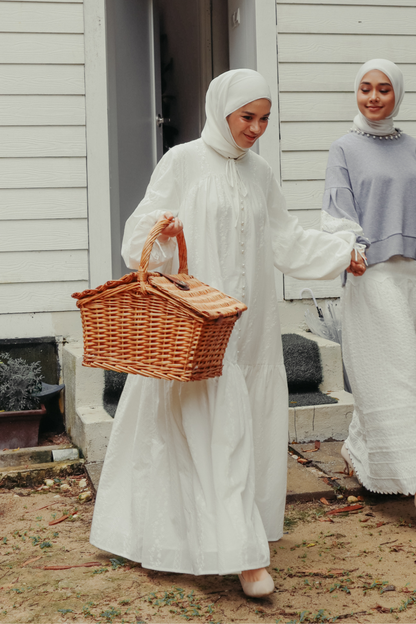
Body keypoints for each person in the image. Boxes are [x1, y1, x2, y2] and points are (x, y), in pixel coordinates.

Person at [90, 69, 364, 597]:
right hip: (195, 329)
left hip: (251, 328)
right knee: (199, 425)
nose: (256, 128)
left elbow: (285, 238)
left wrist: (340, 254)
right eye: (247, 117)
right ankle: (237, 555)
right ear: (222, 111)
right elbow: (138, 239)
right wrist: (162, 231)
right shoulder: (182, 162)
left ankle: (238, 538)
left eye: (264, 119)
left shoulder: (260, 173)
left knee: (238, 423)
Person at [321, 59, 416, 499]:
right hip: (371, 272)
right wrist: (352, 249)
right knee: (396, 373)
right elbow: (338, 211)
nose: (374, 97)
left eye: (383, 89)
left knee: (401, 370)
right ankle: (407, 478)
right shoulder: (344, 148)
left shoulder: (412, 147)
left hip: (412, 273)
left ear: (398, 93)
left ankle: (361, 452)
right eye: (365, 88)